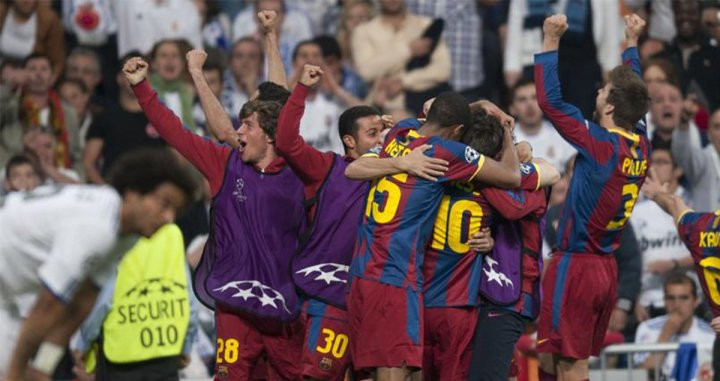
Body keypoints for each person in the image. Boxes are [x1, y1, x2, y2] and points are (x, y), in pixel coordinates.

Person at [125, 54, 307, 379]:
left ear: (269, 135)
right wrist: (142, 87)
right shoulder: (224, 162)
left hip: (284, 306)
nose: (237, 132)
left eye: (247, 125)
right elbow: (173, 131)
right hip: (234, 302)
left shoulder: (304, 172)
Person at [273, 63, 443, 380]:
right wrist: (301, 89)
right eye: (372, 133)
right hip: (331, 297)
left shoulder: (402, 172)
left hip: (374, 297)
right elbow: (285, 142)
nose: (380, 139)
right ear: (350, 141)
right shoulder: (327, 168)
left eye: (382, 131)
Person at [344, 90, 522, 379]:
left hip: (362, 272)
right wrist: (505, 130)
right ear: (457, 131)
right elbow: (512, 175)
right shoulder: (447, 153)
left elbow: (353, 168)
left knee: (378, 373)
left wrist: (482, 104)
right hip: (394, 279)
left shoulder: (400, 131)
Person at [0, 148, 196, 380]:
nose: (169, 218)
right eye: (164, 203)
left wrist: (42, 367)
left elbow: (83, 303)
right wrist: (17, 373)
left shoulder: (126, 233)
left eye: (175, 210)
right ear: (133, 193)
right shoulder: (98, 225)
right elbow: (48, 303)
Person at [534, 14, 650, 381]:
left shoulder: (602, 145)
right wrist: (631, 42)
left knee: (572, 366)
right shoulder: (642, 142)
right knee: (550, 360)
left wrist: (550, 40)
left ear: (611, 107)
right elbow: (634, 89)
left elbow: (551, 103)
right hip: (604, 268)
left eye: (602, 90)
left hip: (578, 266)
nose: (597, 93)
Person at [423, 113, 560, 380]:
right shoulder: (476, 175)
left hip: (510, 296)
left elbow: (518, 203)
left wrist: (479, 170)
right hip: (471, 293)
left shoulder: (518, 178)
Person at [72, 223, 198, 381]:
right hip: (165, 354)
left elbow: (103, 301)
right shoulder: (172, 235)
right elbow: (189, 301)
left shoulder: (126, 235)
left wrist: (84, 342)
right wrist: (186, 346)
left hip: (120, 358)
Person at [631, 143, 694, 320]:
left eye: (662, 162)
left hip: (687, 300)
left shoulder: (692, 204)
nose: (654, 167)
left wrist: (674, 264)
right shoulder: (636, 210)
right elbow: (629, 260)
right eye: (652, 162)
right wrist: (635, 299)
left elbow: (708, 250)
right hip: (647, 302)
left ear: (678, 170)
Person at [83, 54, 166, 185]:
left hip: (154, 195)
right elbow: (88, 163)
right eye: (130, 71)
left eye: (142, 71)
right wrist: (108, 193)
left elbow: (179, 159)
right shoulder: (104, 118)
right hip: (115, 192)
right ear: (119, 78)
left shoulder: (162, 117)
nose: (136, 77)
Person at [632, 273, 714, 379]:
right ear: (664, 301)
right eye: (671, 298)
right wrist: (666, 333)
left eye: (684, 298)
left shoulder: (710, 334)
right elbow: (643, 374)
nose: (677, 305)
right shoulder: (647, 328)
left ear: (696, 301)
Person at [510, 78, 576, 173]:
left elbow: (574, 168)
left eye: (535, 98)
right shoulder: (506, 140)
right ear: (512, 108)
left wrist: (566, 180)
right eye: (522, 100)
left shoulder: (560, 134)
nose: (530, 105)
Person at [671, 107, 720, 212]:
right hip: (708, 227)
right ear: (709, 134)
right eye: (717, 127)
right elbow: (682, 152)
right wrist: (683, 124)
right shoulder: (702, 160)